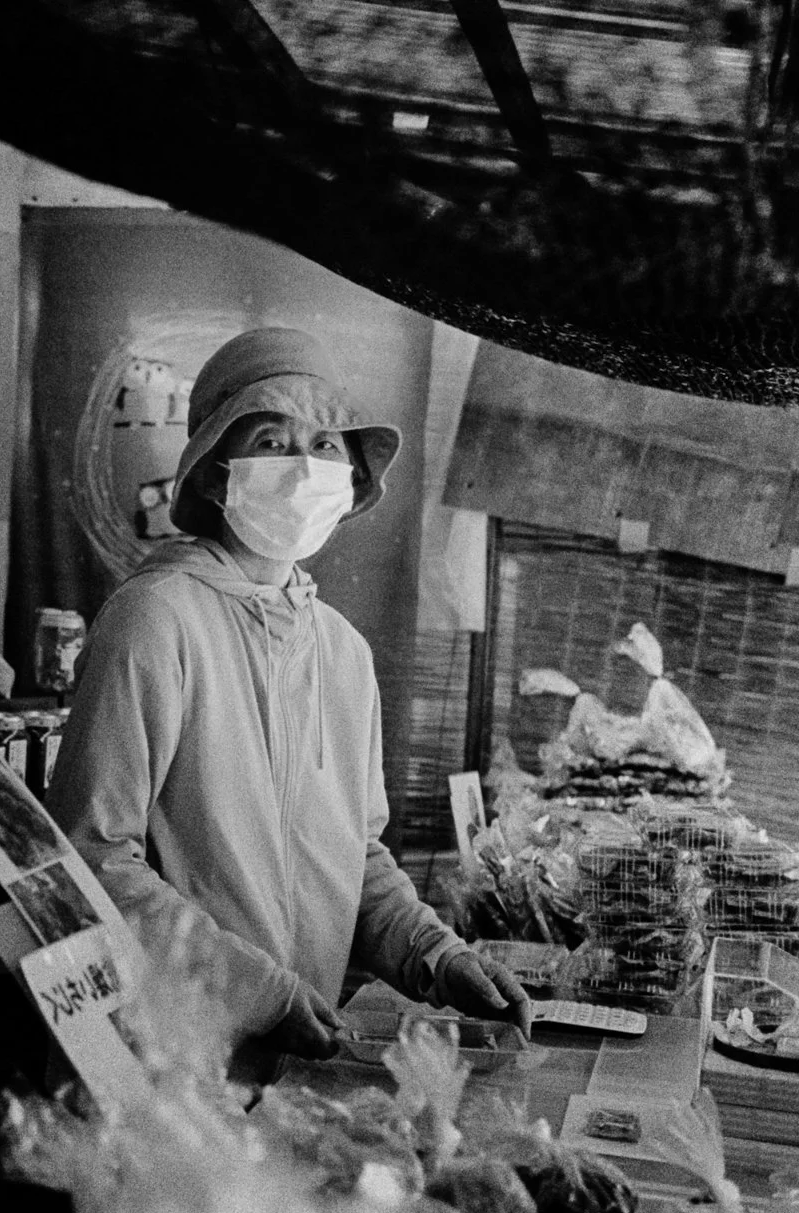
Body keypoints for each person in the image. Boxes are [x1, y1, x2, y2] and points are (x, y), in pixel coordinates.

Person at [45, 326, 529, 1066]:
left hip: (301, 1066)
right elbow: (92, 857)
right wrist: (259, 992)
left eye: (327, 443)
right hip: (170, 1069)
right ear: (213, 472)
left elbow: (356, 860)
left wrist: (438, 956)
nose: (305, 467)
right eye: (272, 440)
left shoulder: (342, 652)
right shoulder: (155, 619)